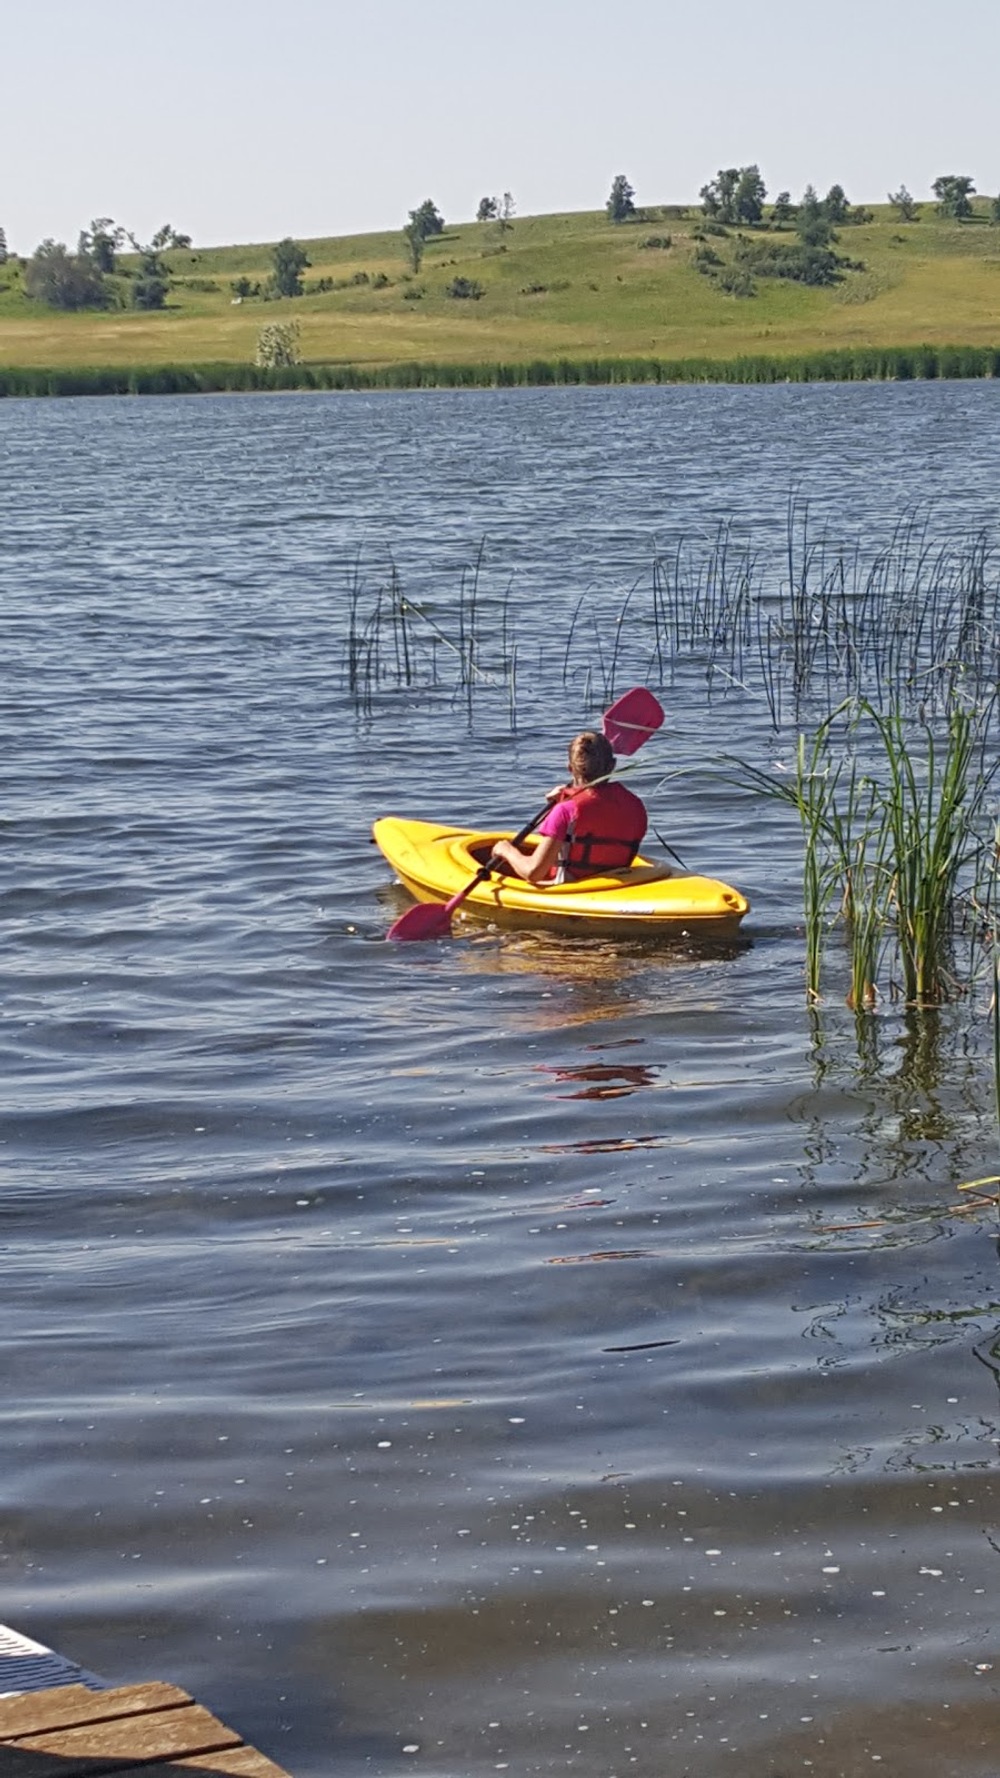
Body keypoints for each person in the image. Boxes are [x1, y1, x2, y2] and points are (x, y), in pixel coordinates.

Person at [491, 730, 647, 885]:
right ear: (612, 766)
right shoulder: (636, 806)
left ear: (570, 768)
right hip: (614, 887)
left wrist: (506, 850)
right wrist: (566, 799)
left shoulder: (566, 810)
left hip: (570, 888)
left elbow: (534, 873)